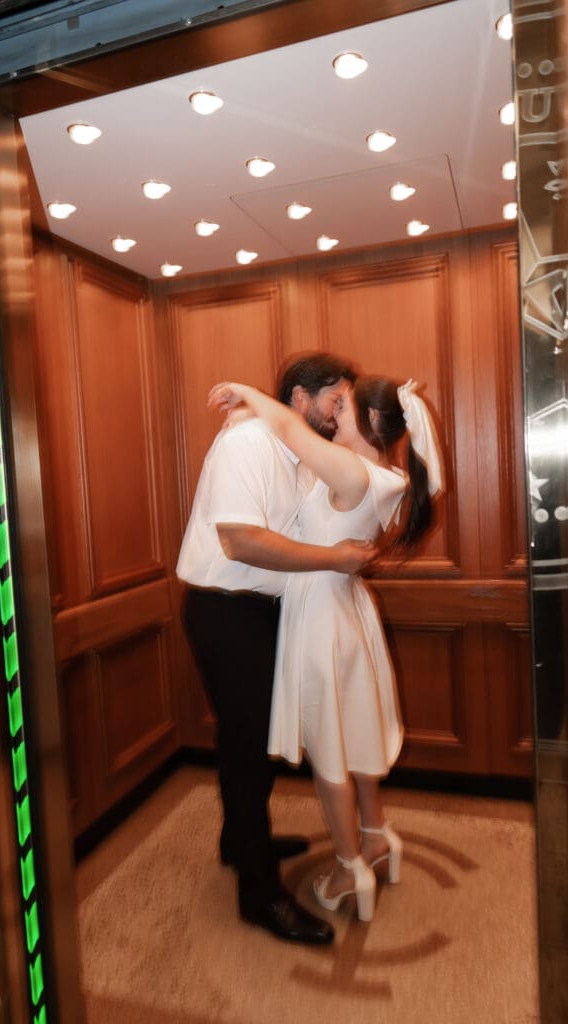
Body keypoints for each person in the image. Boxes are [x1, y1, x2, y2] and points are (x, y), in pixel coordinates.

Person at [208, 375, 442, 923]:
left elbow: (291, 429)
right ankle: (375, 834)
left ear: (371, 421)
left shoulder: (352, 472)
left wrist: (247, 393)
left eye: (344, 406)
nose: (335, 413)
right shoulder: (384, 475)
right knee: (354, 731)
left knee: (330, 749)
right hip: (346, 611)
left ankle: (347, 866)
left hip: (321, 619)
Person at [176, 353, 375, 946]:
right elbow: (240, 542)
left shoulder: (301, 455)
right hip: (224, 609)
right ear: (299, 397)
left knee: (248, 742)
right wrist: (335, 560)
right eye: (335, 401)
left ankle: (237, 843)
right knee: (247, 748)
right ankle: (258, 893)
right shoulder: (247, 444)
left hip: (263, 611)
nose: (340, 413)